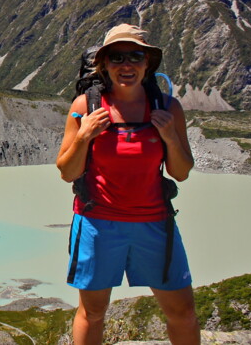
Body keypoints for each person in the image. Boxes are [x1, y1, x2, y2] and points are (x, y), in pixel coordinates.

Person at [56, 24, 200, 345]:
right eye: (117, 57)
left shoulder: (167, 108)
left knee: (182, 312)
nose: (126, 65)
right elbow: (67, 171)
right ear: (104, 64)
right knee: (92, 312)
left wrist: (170, 137)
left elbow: (181, 172)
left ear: (147, 63)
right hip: (96, 223)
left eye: (135, 56)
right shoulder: (85, 107)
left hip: (154, 223)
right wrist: (83, 136)